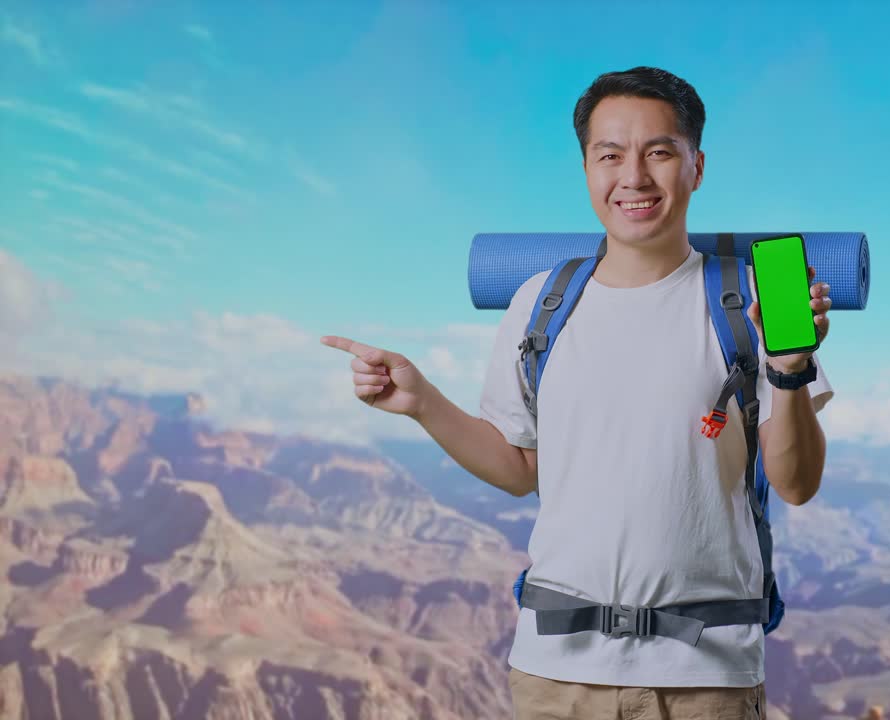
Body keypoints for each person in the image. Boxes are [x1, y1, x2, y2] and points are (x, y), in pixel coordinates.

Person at [322, 66, 835, 720]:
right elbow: (518, 470)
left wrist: (789, 366)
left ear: (696, 166)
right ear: (587, 169)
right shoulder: (540, 302)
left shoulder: (754, 302)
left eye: (659, 152)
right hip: (553, 677)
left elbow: (795, 483)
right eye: (610, 155)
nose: (634, 177)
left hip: (707, 682)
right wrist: (422, 401)